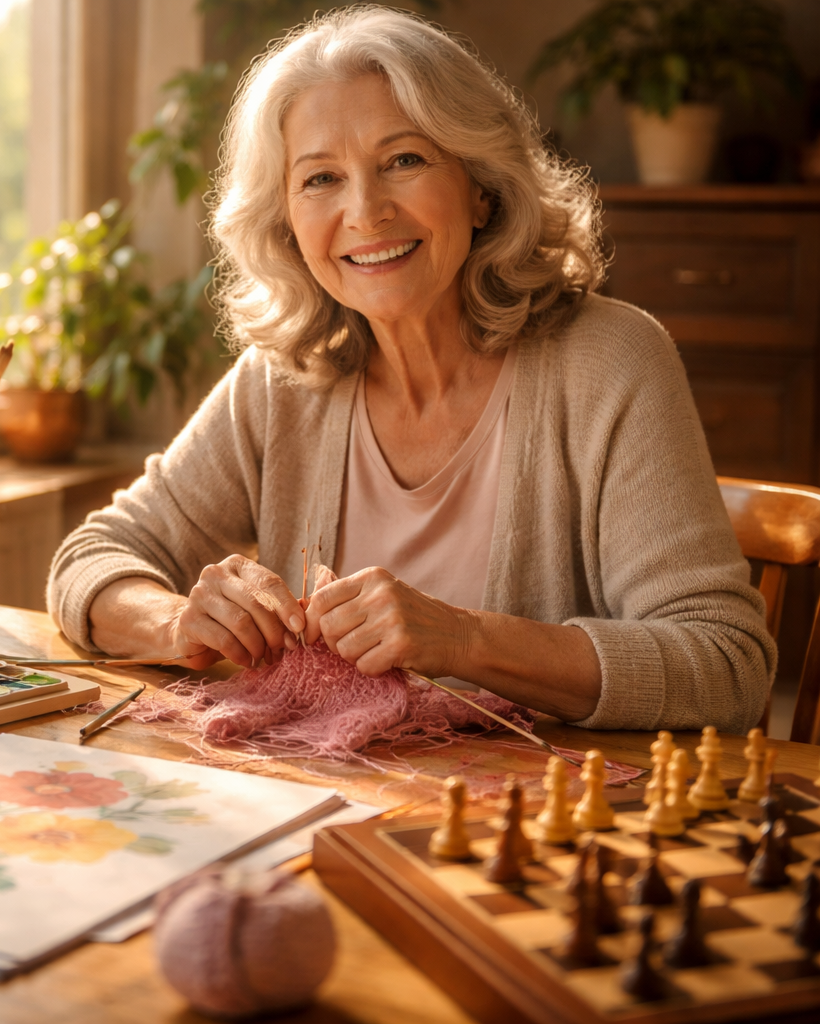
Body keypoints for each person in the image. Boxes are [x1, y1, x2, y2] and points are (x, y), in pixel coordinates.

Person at [47, 8, 774, 733]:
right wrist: (177, 623)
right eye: (321, 178)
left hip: (537, 827)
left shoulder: (611, 362)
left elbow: (726, 663)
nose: (365, 212)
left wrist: (463, 638)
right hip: (326, 803)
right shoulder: (283, 380)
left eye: (405, 160)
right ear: (288, 227)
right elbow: (89, 559)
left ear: (480, 186)